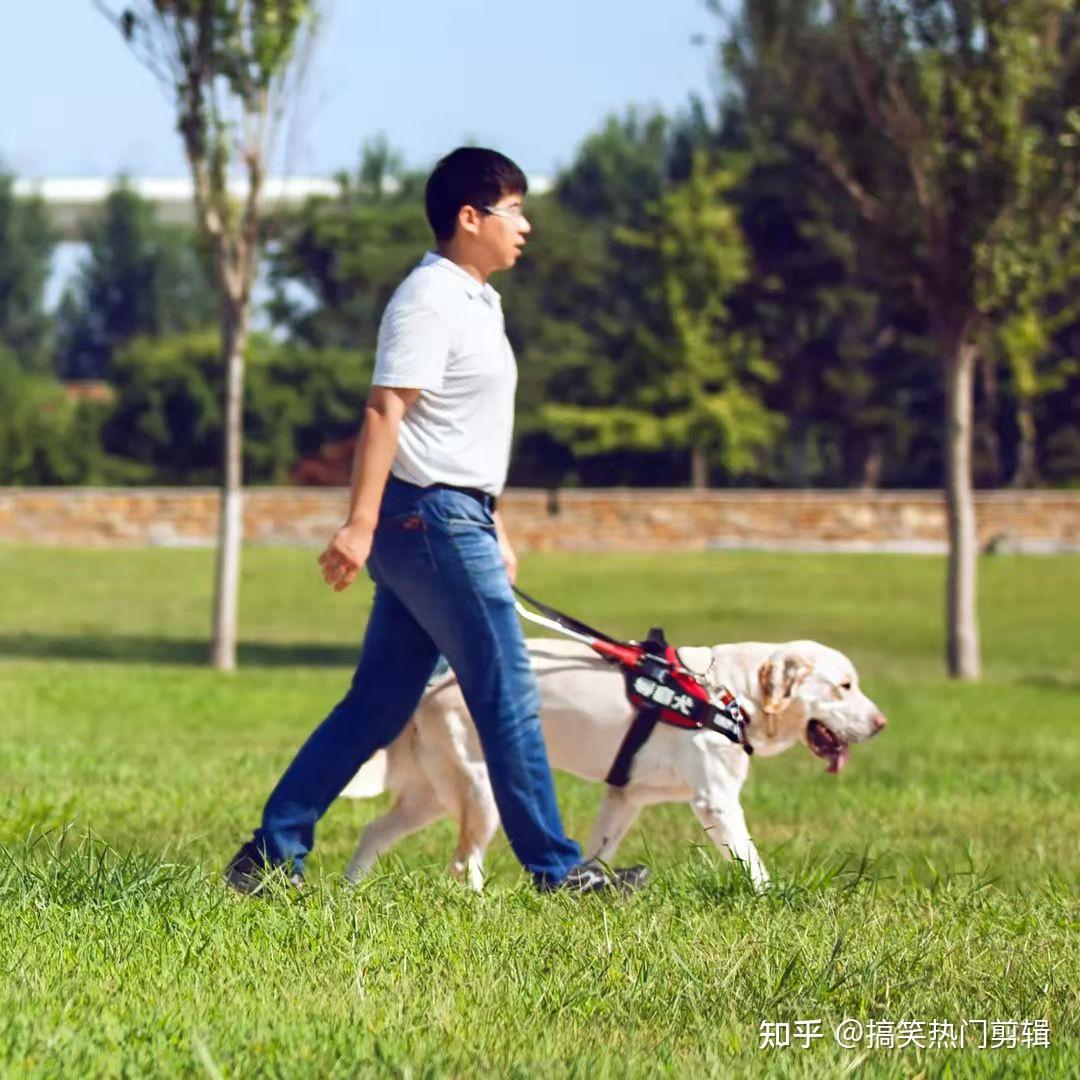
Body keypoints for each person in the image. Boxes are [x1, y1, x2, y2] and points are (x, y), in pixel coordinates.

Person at [225, 147, 648, 895]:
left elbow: (464, 430)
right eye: (513, 209)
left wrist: (498, 526)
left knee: (379, 703)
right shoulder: (428, 299)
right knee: (508, 692)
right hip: (428, 518)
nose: (526, 224)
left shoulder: (479, 300)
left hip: (454, 516)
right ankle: (558, 871)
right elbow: (387, 410)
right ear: (469, 217)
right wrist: (358, 525)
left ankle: (270, 854)